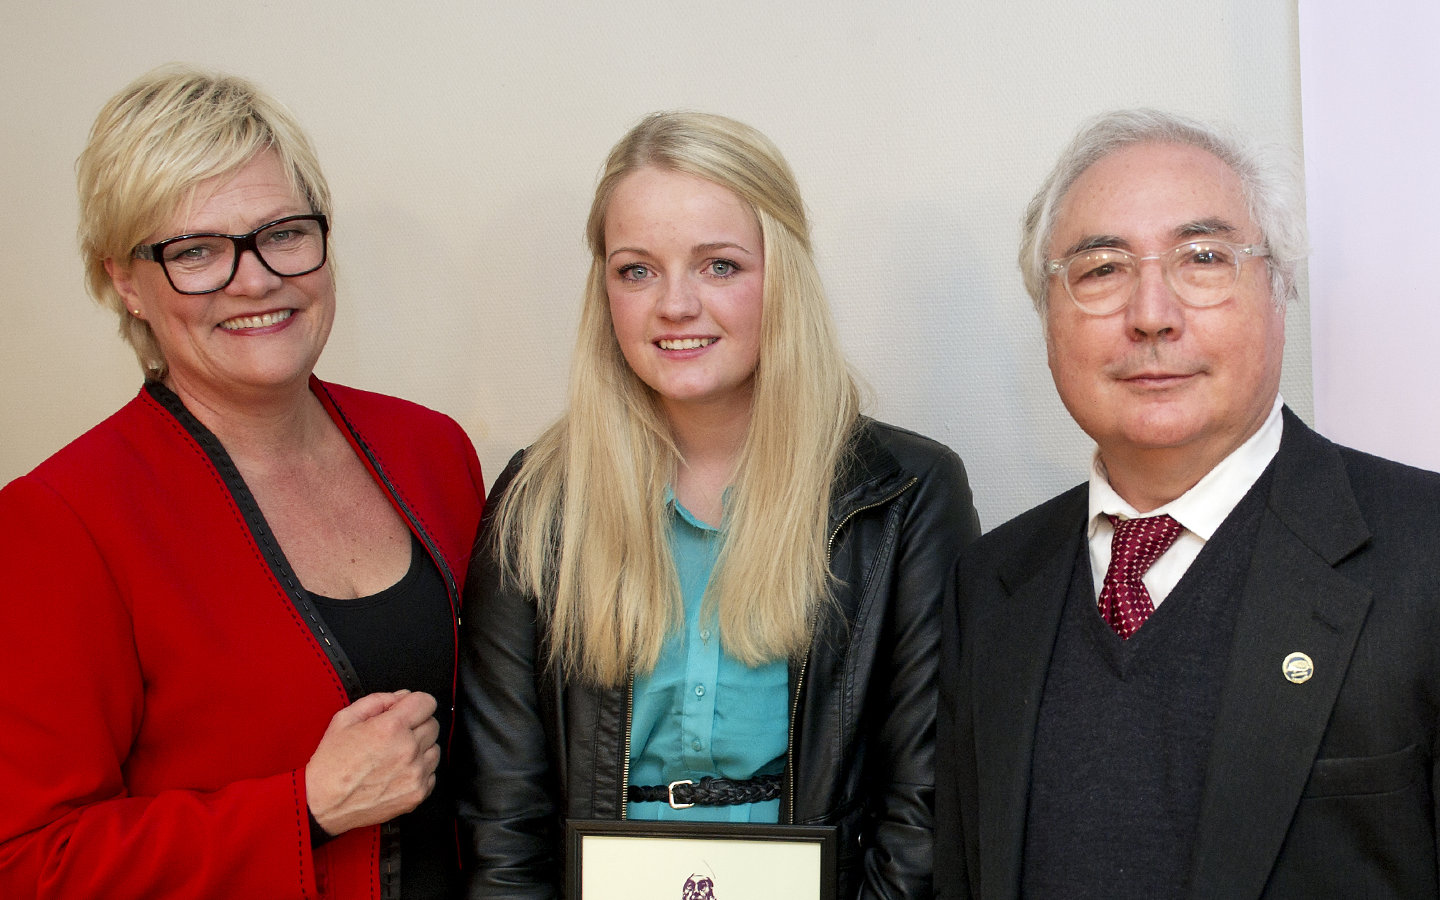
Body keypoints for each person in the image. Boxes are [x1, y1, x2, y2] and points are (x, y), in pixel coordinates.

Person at [455, 111, 981, 900]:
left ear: (783, 275)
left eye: (719, 266)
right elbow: (503, 821)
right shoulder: (540, 501)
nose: (674, 304)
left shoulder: (905, 495)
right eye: (637, 270)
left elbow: (923, 812)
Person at [0, 66, 484, 900]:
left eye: (283, 233)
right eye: (195, 251)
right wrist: (304, 809)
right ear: (125, 281)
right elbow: (25, 860)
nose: (255, 279)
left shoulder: (430, 450)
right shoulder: (60, 521)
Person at [936, 108, 1440, 900]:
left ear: (1279, 292)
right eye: (1100, 269)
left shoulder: (1426, 553)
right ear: (1047, 314)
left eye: (1203, 258)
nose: (1151, 314)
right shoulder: (992, 583)